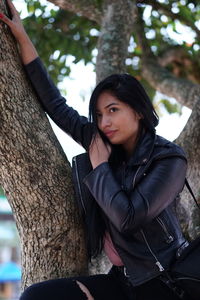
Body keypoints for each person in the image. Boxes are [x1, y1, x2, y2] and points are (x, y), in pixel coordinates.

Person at [0, 1, 191, 299]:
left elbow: (129, 217)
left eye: (113, 110)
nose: (105, 122)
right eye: (99, 115)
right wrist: (23, 37)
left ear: (138, 110)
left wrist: (100, 169)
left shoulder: (169, 158)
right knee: (36, 296)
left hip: (163, 283)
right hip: (123, 282)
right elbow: (56, 105)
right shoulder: (100, 141)